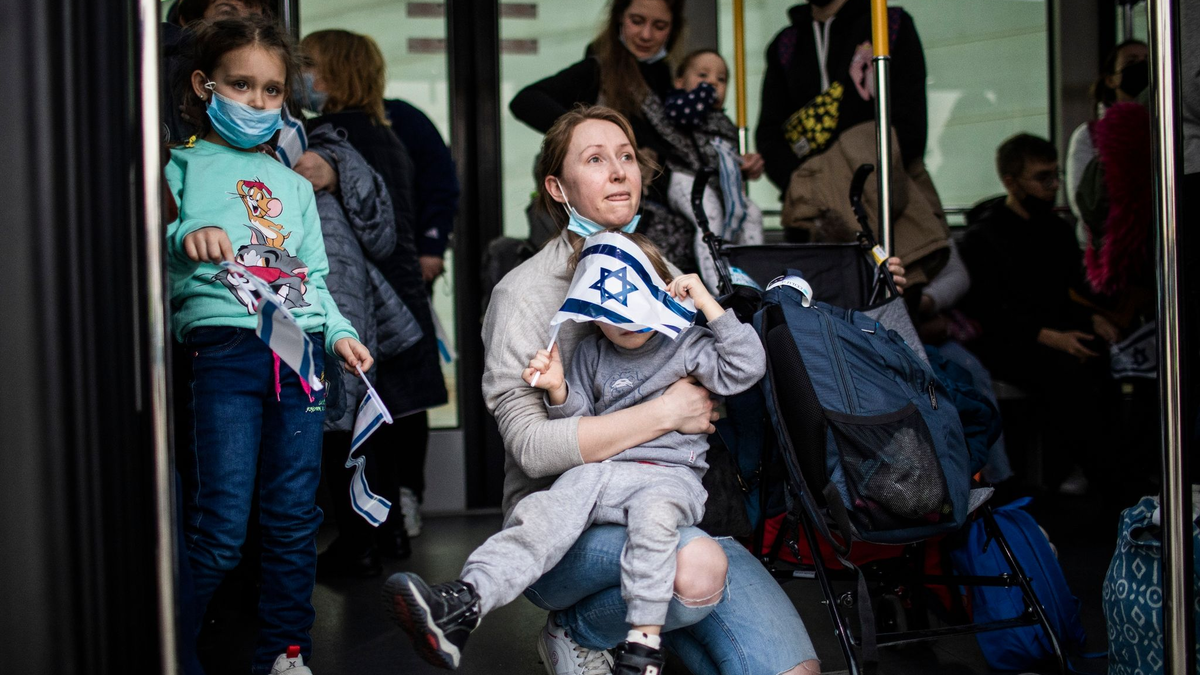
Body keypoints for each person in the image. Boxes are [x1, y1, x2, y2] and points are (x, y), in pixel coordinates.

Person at [395, 105, 822, 675]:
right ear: (558, 186)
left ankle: (635, 631)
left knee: (794, 670)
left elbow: (721, 369)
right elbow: (533, 448)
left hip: (673, 501)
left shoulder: (660, 267)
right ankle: (578, 631)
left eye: (626, 157)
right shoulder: (521, 295)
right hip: (567, 521)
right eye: (595, 160)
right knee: (694, 569)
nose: (619, 171)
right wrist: (668, 411)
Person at [385, 232, 766, 674]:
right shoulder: (590, 353)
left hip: (669, 474)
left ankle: (643, 645)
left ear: (662, 288)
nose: (623, 321)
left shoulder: (687, 342)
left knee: (654, 522)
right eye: (605, 311)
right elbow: (581, 422)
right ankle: (466, 600)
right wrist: (559, 389)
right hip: (604, 471)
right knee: (544, 513)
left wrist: (707, 303)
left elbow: (746, 367)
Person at [166, 15, 373, 674]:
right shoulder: (179, 166)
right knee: (221, 526)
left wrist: (339, 332)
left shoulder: (293, 184)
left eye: (271, 91)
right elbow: (156, 245)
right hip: (224, 350)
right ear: (205, 85)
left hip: (300, 354)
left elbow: (314, 277)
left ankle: (287, 652)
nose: (257, 103)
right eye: (241, 85)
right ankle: (173, 649)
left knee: (292, 520)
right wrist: (185, 236)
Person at [300, 29, 449, 570]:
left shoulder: (332, 136)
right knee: (389, 417)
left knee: (353, 419)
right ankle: (392, 531)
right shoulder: (389, 132)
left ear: (337, 72)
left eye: (310, 66)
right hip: (402, 289)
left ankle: (362, 536)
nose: (302, 77)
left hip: (366, 294)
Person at [958, 133, 1116, 498]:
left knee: (1105, 362)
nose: (1053, 187)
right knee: (1069, 374)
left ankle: (1104, 471)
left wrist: (1092, 320)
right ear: (1011, 182)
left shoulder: (1056, 231)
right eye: (1042, 178)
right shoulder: (985, 237)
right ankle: (1076, 476)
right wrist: (1052, 336)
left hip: (1056, 330)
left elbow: (1065, 292)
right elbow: (990, 310)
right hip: (1011, 341)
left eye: (1055, 176)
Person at [509, 0, 702, 270]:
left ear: (673, 29)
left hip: (665, 216)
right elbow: (525, 100)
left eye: (659, 26)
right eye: (637, 21)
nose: (646, 35)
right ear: (619, 20)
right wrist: (584, 135)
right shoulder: (597, 70)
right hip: (612, 225)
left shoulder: (671, 79)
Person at [383, 96, 462, 539]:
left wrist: (432, 247)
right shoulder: (302, 125)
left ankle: (408, 494)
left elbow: (441, 183)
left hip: (406, 273)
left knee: (407, 387)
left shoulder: (402, 119)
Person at [756, 0, 928, 195]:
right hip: (813, 203)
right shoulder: (787, 44)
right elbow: (770, 135)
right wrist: (805, 185)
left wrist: (857, 180)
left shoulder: (887, 25)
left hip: (882, 197)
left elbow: (910, 125)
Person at [654, 49, 766, 292]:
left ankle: (753, 283)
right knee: (709, 213)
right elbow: (683, 118)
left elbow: (724, 158)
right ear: (680, 82)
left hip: (714, 182)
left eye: (721, 79)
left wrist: (744, 165)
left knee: (752, 213)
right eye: (703, 75)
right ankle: (719, 288)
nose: (713, 83)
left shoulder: (723, 122)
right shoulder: (677, 107)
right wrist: (704, 94)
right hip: (685, 176)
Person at [1064, 40, 1148, 238]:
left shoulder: (1166, 128)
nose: (1142, 67)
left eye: (1147, 61)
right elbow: (1083, 201)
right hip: (1109, 240)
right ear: (1111, 80)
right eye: (1131, 63)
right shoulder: (1089, 135)